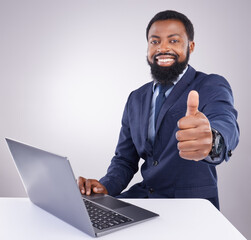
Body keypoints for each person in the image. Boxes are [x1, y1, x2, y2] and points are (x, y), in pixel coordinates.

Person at [78, 10, 239, 210]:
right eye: (155, 42)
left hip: (191, 207)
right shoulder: (136, 98)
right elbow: (125, 160)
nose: (162, 48)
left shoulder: (210, 85)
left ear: (191, 46)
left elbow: (225, 120)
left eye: (173, 41)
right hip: (143, 199)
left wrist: (213, 142)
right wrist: (105, 186)